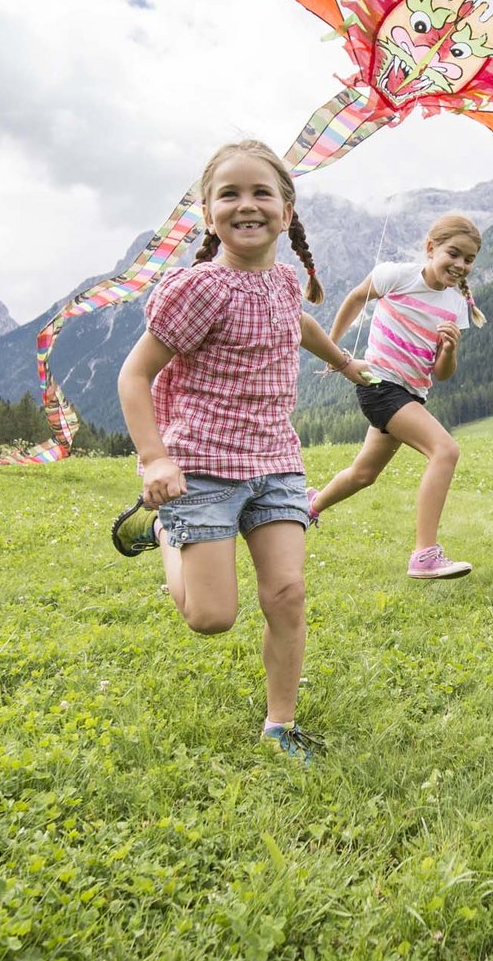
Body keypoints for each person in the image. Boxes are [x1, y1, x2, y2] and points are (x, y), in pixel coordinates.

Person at [109, 140, 371, 760]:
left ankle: (280, 725)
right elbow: (133, 375)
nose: (246, 205)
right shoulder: (199, 290)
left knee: (286, 592)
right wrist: (156, 460)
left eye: (261, 193)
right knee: (210, 617)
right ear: (207, 212)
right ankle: (169, 534)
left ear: (286, 210)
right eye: (229, 194)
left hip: (276, 463)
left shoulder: (283, 281)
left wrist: (343, 361)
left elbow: (298, 323)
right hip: (200, 467)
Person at [306, 213, 485, 579]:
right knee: (445, 450)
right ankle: (424, 555)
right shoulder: (396, 276)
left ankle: (309, 507)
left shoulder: (455, 305)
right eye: (454, 253)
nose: (460, 265)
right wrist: (334, 350)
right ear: (431, 248)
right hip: (379, 386)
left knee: (363, 473)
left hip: (411, 394)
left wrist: (450, 351)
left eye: (469, 260)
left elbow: (442, 374)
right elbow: (356, 298)